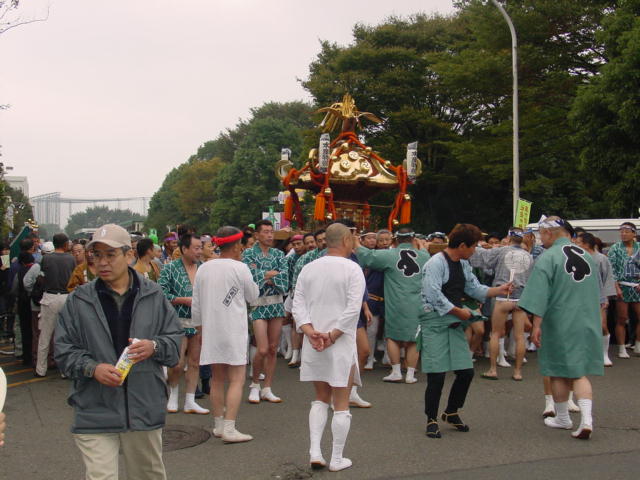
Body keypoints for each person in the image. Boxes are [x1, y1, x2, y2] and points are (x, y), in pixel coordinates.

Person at [55, 223, 182, 480]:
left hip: (143, 405)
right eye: (97, 255)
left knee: (148, 474)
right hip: (94, 407)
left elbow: (174, 343)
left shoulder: (154, 295)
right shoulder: (79, 300)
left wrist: (154, 346)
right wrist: (93, 368)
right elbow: (63, 351)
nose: (102, 262)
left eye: (110, 254)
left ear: (129, 255)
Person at [420, 223, 512, 438]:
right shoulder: (436, 263)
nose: (475, 251)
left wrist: (498, 290)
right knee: (437, 374)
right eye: (473, 247)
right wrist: (457, 311)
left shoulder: (462, 264)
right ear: (462, 245)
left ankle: (451, 411)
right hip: (435, 320)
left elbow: (473, 287)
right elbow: (432, 294)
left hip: (454, 319)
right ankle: (431, 419)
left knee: (465, 372)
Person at [519, 216, 603, 439]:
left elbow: (538, 295)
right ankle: (586, 418)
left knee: (557, 369)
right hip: (587, 318)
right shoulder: (588, 255)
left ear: (548, 233)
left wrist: (536, 325)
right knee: (579, 371)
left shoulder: (548, 257)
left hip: (559, 319)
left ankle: (564, 418)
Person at [293, 223, 366, 472]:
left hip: (314, 340)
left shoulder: (308, 268)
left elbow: (297, 305)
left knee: (320, 397)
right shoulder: (353, 269)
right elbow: (353, 308)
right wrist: (333, 334)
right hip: (339, 341)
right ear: (346, 239)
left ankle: (315, 451)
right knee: (341, 401)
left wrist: (309, 330)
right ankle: (336, 457)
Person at [192, 226, 259, 443]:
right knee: (237, 379)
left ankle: (219, 424)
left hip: (211, 329)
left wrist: (200, 329)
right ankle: (230, 427)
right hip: (233, 330)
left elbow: (196, 304)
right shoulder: (240, 268)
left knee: (217, 378)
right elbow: (253, 295)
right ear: (238, 245)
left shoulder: (203, 268)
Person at [355, 227, 430, 384]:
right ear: (413, 239)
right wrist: (422, 246)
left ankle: (396, 371)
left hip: (396, 302)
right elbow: (426, 254)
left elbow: (367, 256)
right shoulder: (424, 256)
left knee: (393, 337)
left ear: (395, 240)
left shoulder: (389, 254)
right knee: (414, 339)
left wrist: (355, 241)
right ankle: (410, 374)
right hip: (417, 302)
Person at [470, 228, 533, 380]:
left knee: (496, 333)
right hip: (520, 296)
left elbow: (480, 257)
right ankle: (517, 372)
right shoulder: (528, 256)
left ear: (509, 238)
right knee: (519, 336)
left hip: (502, 295)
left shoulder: (501, 251)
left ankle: (493, 369)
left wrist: (479, 246)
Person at [159, 233, 209, 414]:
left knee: (195, 362)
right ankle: (172, 394)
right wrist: (182, 299)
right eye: (196, 248)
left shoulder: (204, 268)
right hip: (177, 321)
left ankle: (190, 400)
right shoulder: (170, 268)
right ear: (184, 249)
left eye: (201, 247)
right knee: (177, 363)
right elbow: (161, 293)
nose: (199, 251)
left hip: (198, 321)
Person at [243, 220, 289, 403]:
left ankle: (267, 387)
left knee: (272, 348)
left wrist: (266, 275)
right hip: (258, 303)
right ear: (257, 235)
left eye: (272, 232)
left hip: (276, 303)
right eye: (266, 232)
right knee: (261, 348)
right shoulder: (248, 254)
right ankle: (255, 384)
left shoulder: (279, 254)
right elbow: (250, 276)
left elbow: (285, 276)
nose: (270, 235)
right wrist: (270, 274)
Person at [36, 233, 75, 377]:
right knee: (64, 336)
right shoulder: (71, 259)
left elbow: (40, 279)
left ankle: (41, 369)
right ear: (65, 245)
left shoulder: (46, 258)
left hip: (49, 297)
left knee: (45, 336)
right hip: (66, 297)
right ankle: (64, 370)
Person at [576, 232, 617, 366]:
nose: (576, 244)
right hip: (581, 296)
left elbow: (608, 279)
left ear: (587, 244)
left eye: (579, 242)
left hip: (599, 296)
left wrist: (605, 297)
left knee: (602, 325)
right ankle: (585, 353)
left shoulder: (601, 258)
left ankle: (604, 353)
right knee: (582, 326)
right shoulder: (577, 257)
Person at [607, 222, 640, 358]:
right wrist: (616, 287)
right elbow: (611, 269)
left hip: (637, 286)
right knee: (622, 318)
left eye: (627, 231)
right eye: (622, 231)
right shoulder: (615, 248)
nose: (623, 234)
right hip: (622, 285)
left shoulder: (639, 248)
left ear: (634, 234)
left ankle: (638, 343)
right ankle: (621, 348)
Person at [360, 231, 384, 370]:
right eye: (369, 238)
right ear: (362, 240)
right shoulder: (355, 254)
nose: (372, 240)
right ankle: (362, 356)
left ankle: (370, 357)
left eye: (375, 238)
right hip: (358, 296)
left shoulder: (380, 256)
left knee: (372, 330)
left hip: (375, 298)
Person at [282, 234, 306, 366]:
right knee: (288, 319)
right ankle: (293, 350)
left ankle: (301, 354)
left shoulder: (310, 256)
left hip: (306, 294)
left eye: (299, 244)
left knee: (300, 324)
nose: (297, 247)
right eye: (294, 244)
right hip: (293, 293)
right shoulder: (290, 259)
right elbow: (288, 276)